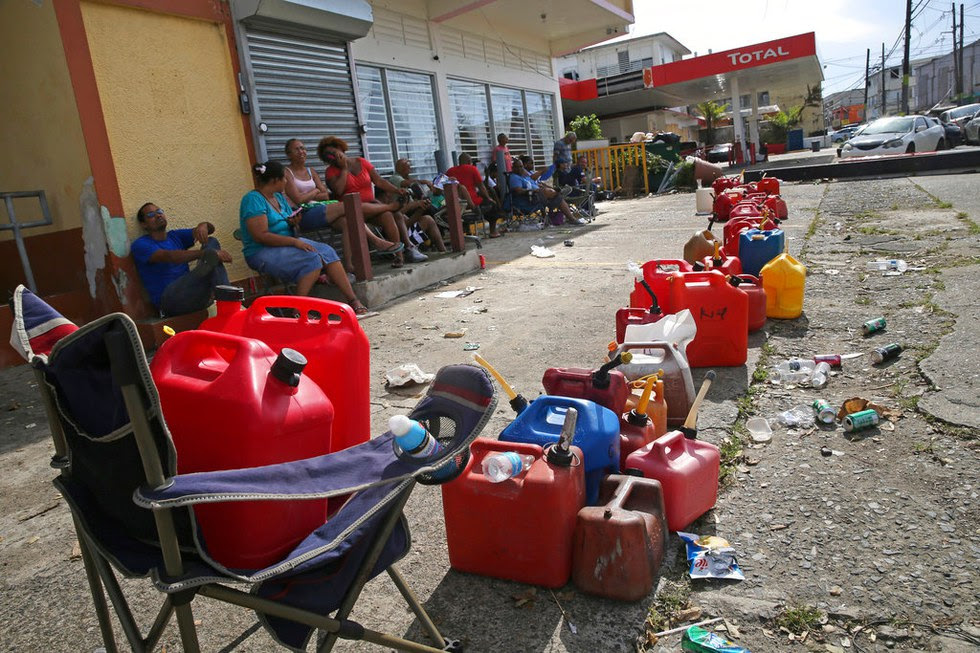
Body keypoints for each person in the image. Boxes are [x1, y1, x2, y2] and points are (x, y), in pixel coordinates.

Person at [240, 161, 367, 313]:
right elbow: (261, 236)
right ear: (275, 180)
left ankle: (353, 300)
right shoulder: (253, 200)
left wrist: (294, 223)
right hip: (261, 251)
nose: (287, 181)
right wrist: (294, 242)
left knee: (327, 251)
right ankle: (298, 309)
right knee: (312, 259)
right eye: (284, 178)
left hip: (287, 243)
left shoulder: (279, 198)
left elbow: (288, 224)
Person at [282, 138, 403, 270]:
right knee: (349, 204)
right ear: (289, 154)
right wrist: (316, 190)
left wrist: (313, 194)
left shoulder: (311, 171)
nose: (301, 152)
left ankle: (350, 266)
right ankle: (378, 238)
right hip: (302, 215)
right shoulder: (287, 173)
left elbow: (326, 195)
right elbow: (299, 200)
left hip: (323, 210)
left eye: (303, 148)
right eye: (297, 149)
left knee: (348, 221)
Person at [319, 137, 428, 265]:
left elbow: (379, 181)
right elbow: (338, 190)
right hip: (351, 211)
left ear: (341, 149)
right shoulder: (331, 172)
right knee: (390, 210)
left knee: (388, 215)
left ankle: (399, 255)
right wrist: (344, 169)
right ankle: (392, 213)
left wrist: (396, 190)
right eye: (328, 156)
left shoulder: (361, 162)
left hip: (371, 207)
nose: (332, 157)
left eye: (333, 152)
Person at [131, 203, 231, 317]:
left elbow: (209, 230)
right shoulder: (140, 245)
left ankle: (228, 302)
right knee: (211, 256)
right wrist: (206, 254)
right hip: (170, 300)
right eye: (151, 214)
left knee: (211, 242)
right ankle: (230, 303)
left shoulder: (174, 236)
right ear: (143, 224)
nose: (158, 215)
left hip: (193, 292)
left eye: (159, 212)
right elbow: (170, 257)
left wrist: (203, 226)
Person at [508, 157, 582, 226]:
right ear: (513, 168)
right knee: (548, 192)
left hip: (539, 196)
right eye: (518, 167)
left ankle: (572, 219)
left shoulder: (524, 176)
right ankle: (558, 192)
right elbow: (518, 190)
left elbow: (535, 183)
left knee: (558, 199)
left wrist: (540, 187)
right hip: (529, 199)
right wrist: (533, 190)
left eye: (521, 166)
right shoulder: (514, 177)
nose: (521, 168)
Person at [446, 154, 502, 237]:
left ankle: (467, 228)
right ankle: (493, 232)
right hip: (472, 203)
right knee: (492, 205)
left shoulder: (450, 171)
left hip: (457, 203)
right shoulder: (472, 169)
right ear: (469, 162)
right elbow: (481, 187)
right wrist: (489, 198)